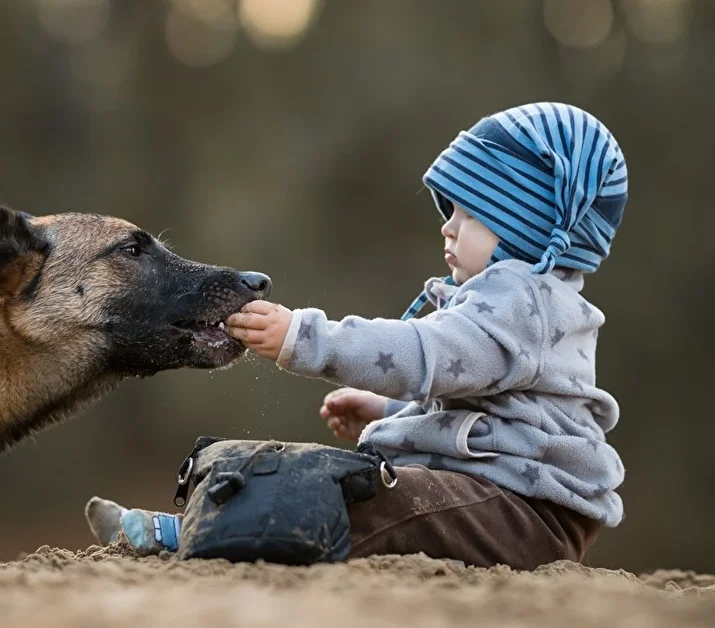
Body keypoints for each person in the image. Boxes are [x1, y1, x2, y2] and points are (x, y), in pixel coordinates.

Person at [86, 102, 628, 570]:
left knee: (355, 492)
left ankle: (194, 538)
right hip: (497, 496)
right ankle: (200, 523)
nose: (448, 226)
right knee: (341, 479)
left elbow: (425, 355)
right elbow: (486, 410)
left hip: (524, 514)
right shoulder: (516, 302)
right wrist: (387, 410)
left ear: (527, 225)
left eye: (471, 213)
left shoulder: (520, 300)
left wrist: (302, 336)